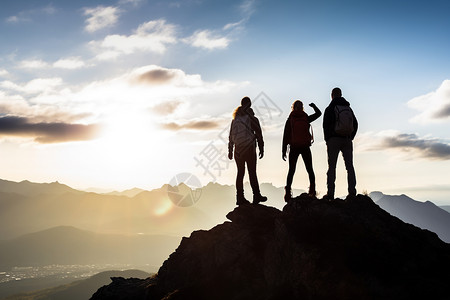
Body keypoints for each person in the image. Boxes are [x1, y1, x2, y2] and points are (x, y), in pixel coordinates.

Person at [228, 97, 267, 206]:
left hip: (238, 150)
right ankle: (256, 195)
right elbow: (258, 133)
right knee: (252, 172)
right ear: (249, 104)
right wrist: (261, 148)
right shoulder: (251, 118)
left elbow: (231, 136)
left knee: (240, 173)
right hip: (249, 148)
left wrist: (230, 151)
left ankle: (239, 198)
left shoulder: (235, 119)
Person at [322, 87, 358, 200]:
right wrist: (350, 137)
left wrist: (327, 139)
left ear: (332, 95)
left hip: (334, 140)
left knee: (332, 167)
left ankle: (330, 193)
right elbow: (355, 123)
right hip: (347, 139)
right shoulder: (348, 108)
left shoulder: (330, 108)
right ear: (341, 94)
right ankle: (352, 192)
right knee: (349, 166)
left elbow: (325, 125)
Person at [282, 100, 322, 201]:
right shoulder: (306, 118)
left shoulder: (290, 119)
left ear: (293, 107)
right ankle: (312, 191)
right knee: (310, 169)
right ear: (302, 107)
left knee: (291, 170)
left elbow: (285, 135)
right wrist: (314, 106)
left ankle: (287, 193)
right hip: (305, 147)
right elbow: (319, 113)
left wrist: (283, 150)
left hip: (294, 147)